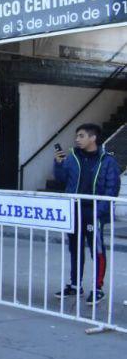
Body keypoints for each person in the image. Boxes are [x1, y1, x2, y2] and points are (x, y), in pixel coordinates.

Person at [53, 123, 121, 305]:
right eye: (77, 136)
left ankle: (98, 288)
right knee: (74, 248)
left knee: (97, 250)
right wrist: (58, 165)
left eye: (81, 136)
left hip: (94, 213)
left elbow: (111, 189)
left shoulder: (108, 161)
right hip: (74, 210)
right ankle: (75, 285)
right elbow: (61, 179)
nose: (77, 139)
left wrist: (98, 213)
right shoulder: (72, 157)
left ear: (93, 138)